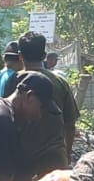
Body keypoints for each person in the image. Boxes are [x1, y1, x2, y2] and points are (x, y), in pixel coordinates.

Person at [7, 31, 80, 161]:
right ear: (44, 56)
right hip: (54, 157)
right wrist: (67, 154)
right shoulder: (59, 82)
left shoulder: (14, 81)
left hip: (22, 157)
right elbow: (70, 124)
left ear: (20, 56)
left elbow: (7, 117)